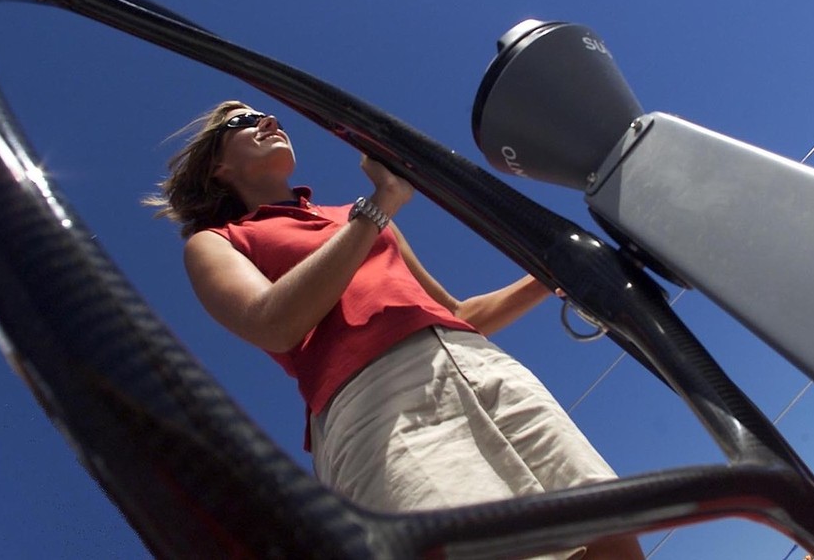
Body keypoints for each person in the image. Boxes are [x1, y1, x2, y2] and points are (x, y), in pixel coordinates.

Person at [145, 100, 644, 559]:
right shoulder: (217, 242)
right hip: (376, 406)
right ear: (218, 166)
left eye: (267, 114)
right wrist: (377, 206)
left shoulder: (359, 218)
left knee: (608, 533)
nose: (268, 121)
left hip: (480, 366)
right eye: (243, 122)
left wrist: (551, 275)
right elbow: (272, 325)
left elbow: (457, 312)